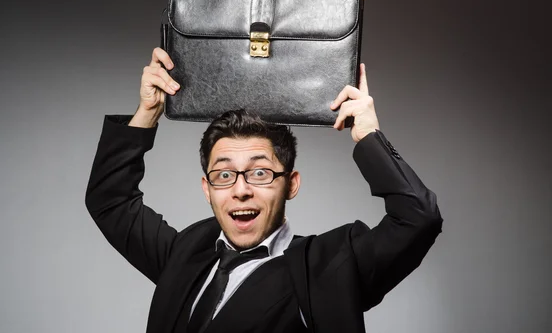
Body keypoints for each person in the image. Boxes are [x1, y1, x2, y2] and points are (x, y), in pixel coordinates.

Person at [86, 47, 443, 333]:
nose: (240, 190)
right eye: (224, 175)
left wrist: (368, 135)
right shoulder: (185, 252)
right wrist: (148, 112)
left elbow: (418, 219)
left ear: (291, 184)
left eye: (259, 172)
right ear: (206, 189)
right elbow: (110, 199)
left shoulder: (329, 267)